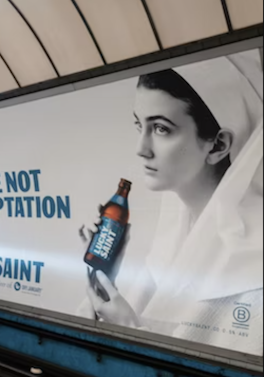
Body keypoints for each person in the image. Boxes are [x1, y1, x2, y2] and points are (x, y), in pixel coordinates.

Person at [78, 50, 263, 355]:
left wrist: (129, 331)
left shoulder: (254, 266)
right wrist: (104, 277)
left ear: (218, 145)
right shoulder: (168, 245)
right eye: (140, 125)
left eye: (161, 128)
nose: (141, 149)